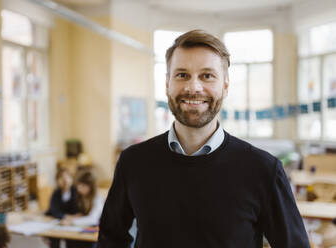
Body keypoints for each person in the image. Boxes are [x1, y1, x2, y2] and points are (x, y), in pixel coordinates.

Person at [98, 30, 310, 248]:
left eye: (207, 75)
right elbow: (111, 238)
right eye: (182, 75)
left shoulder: (263, 169)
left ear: (225, 86)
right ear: (167, 84)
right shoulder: (134, 162)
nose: (193, 87)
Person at [61, 168, 105, 248]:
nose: (79, 189)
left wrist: (73, 222)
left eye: (83, 186)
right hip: (84, 229)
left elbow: (93, 219)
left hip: (96, 234)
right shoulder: (82, 196)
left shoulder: (98, 198)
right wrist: (74, 217)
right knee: (70, 241)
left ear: (91, 186)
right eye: (78, 186)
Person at [45, 168, 79, 248]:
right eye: (61, 178)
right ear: (57, 181)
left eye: (67, 177)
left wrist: (71, 218)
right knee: (54, 238)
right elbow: (53, 210)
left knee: (72, 241)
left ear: (71, 178)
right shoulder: (56, 193)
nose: (64, 180)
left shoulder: (76, 191)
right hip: (58, 222)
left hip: (73, 224)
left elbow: (77, 210)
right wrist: (65, 217)